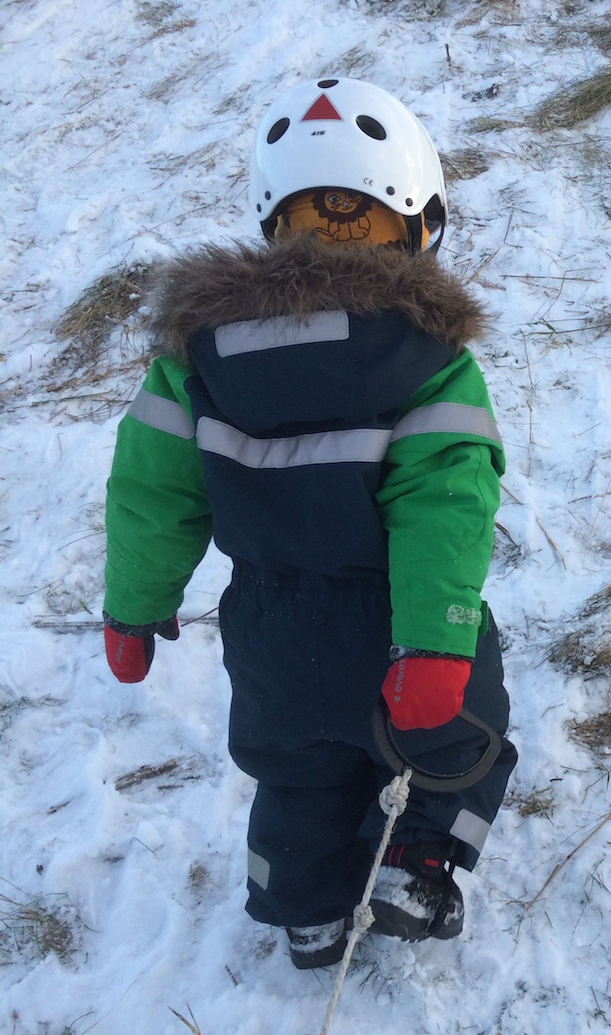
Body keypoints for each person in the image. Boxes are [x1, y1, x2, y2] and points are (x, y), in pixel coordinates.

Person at [101, 76, 517, 969]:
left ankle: (305, 909)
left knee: (296, 770)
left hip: (267, 631)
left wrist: (132, 608)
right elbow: (446, 504)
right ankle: (418, 862)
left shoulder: (193, 357)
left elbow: (152, 490)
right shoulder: (426, 359)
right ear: (412, 224)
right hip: (392, 624)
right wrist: (437, 642)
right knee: (459, 742)